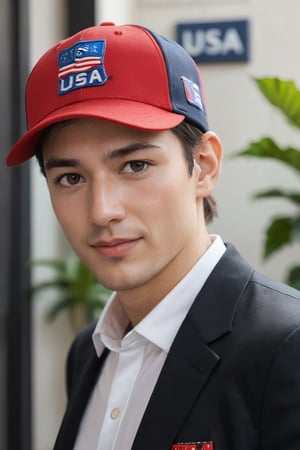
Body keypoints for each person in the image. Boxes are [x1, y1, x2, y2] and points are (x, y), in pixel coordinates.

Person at [6, 22, 300, 450]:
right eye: (71, 177)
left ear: (203, 166)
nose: (102, 210)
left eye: (135, 166)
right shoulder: (87, 352)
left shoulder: (286, 348)